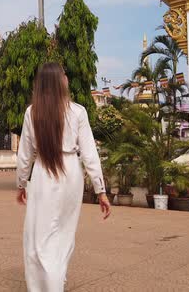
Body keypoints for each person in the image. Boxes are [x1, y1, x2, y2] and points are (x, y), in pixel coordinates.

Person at [16, 62, 111, 292]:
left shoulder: (32, 112)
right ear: (58, 82)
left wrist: (21, 184)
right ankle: (57, 280)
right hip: (71, 173)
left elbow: (25, 154)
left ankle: (45, 285)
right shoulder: (77, 111)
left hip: (42, 173)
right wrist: (101, 190)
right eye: (64, 76)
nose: (67, 78)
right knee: (64, 235)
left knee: (39, 237)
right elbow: (89, 153)